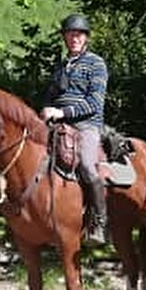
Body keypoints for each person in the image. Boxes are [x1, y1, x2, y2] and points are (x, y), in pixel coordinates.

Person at [40, 13, 110, 245]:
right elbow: (50, 97)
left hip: (86, 125)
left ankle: (99, 222)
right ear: (65, 38)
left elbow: (94, 103)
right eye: (70, 35)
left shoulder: (96, 64)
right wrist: (45, 110)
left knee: (88, 166)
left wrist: (63, 113)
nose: (74, 39)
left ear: (86, 37)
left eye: (79, 35)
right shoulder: (61, 67)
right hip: (57, 124)